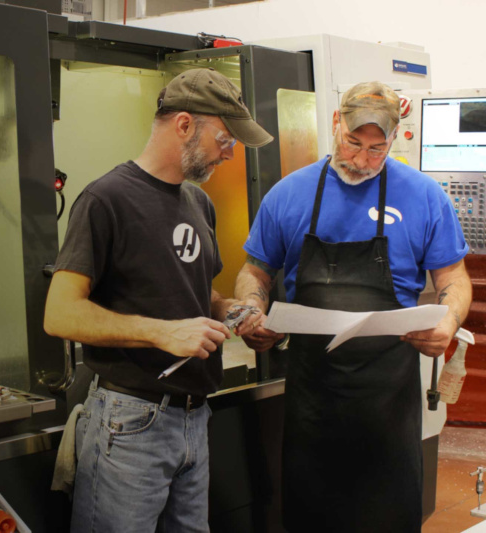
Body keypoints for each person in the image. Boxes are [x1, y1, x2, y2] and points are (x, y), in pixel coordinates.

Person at [234, 81, 472, 532]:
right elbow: (255, 271)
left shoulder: (423, 196)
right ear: (334, 124)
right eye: (353, 143)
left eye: (376, 149)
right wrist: (250, 307)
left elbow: (454, 279)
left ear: (395, 140)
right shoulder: (289, 194)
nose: (362, 160)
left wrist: (449, 319)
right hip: (312, 405)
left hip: (388, 406)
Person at [43, 68, 273, 532]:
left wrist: (236, 313)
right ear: (184, 125)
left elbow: (195, 295)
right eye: (225, 140)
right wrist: (163, 332)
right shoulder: (106, 199)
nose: (229, 155)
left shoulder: (197, 203)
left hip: (194, 417)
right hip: (130, 423)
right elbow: (60, 313)